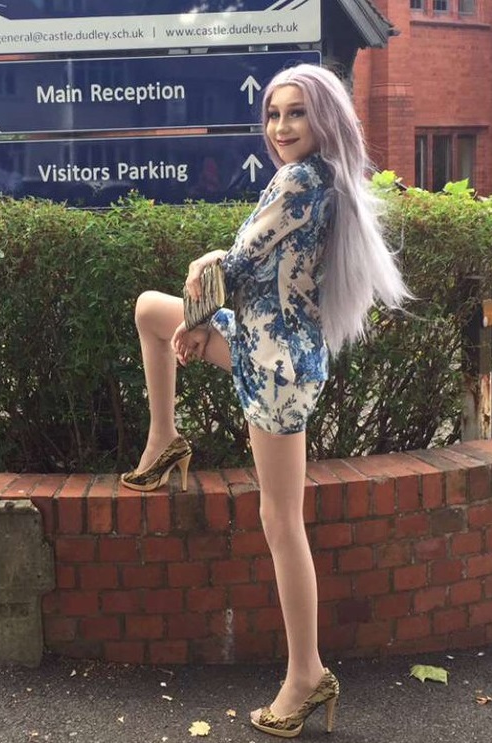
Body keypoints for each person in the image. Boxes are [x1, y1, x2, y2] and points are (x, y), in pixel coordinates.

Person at [121, 63, 410, 738]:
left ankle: (306, 673)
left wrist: (201, 293)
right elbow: (252, 271)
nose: (281, 126)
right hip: (267, 343)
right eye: (274, 114)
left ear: (324, 118)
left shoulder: (301, 180)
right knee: (151, 312)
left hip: (273, 364)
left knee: (281, 522)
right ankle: (164, 440)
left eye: (296, 113)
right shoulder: (326, 179)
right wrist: (200, 314)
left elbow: (236, 265)